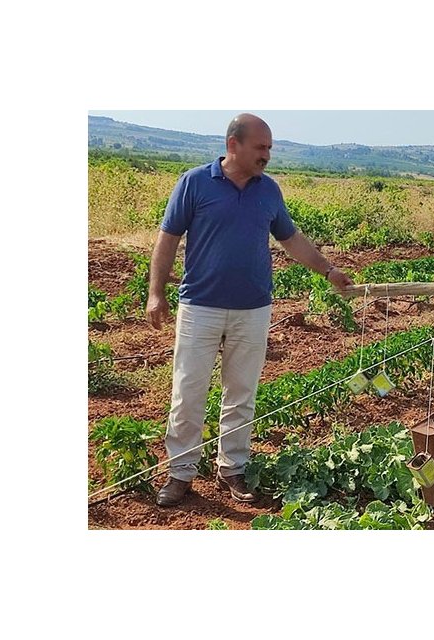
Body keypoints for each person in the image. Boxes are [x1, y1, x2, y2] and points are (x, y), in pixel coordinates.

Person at [146, 113, 354, 507]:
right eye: (260, 147)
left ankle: (233, 468)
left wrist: (328, 269)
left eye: (270, 148)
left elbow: (291, 239)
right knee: (188, 392)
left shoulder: (268, 191)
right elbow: (168, 238)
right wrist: (156, 292)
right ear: (232, 145)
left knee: (241, 393)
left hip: (253, 309)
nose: (267, 155)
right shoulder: (194, 183)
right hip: (200, 306)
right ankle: (180, 473)